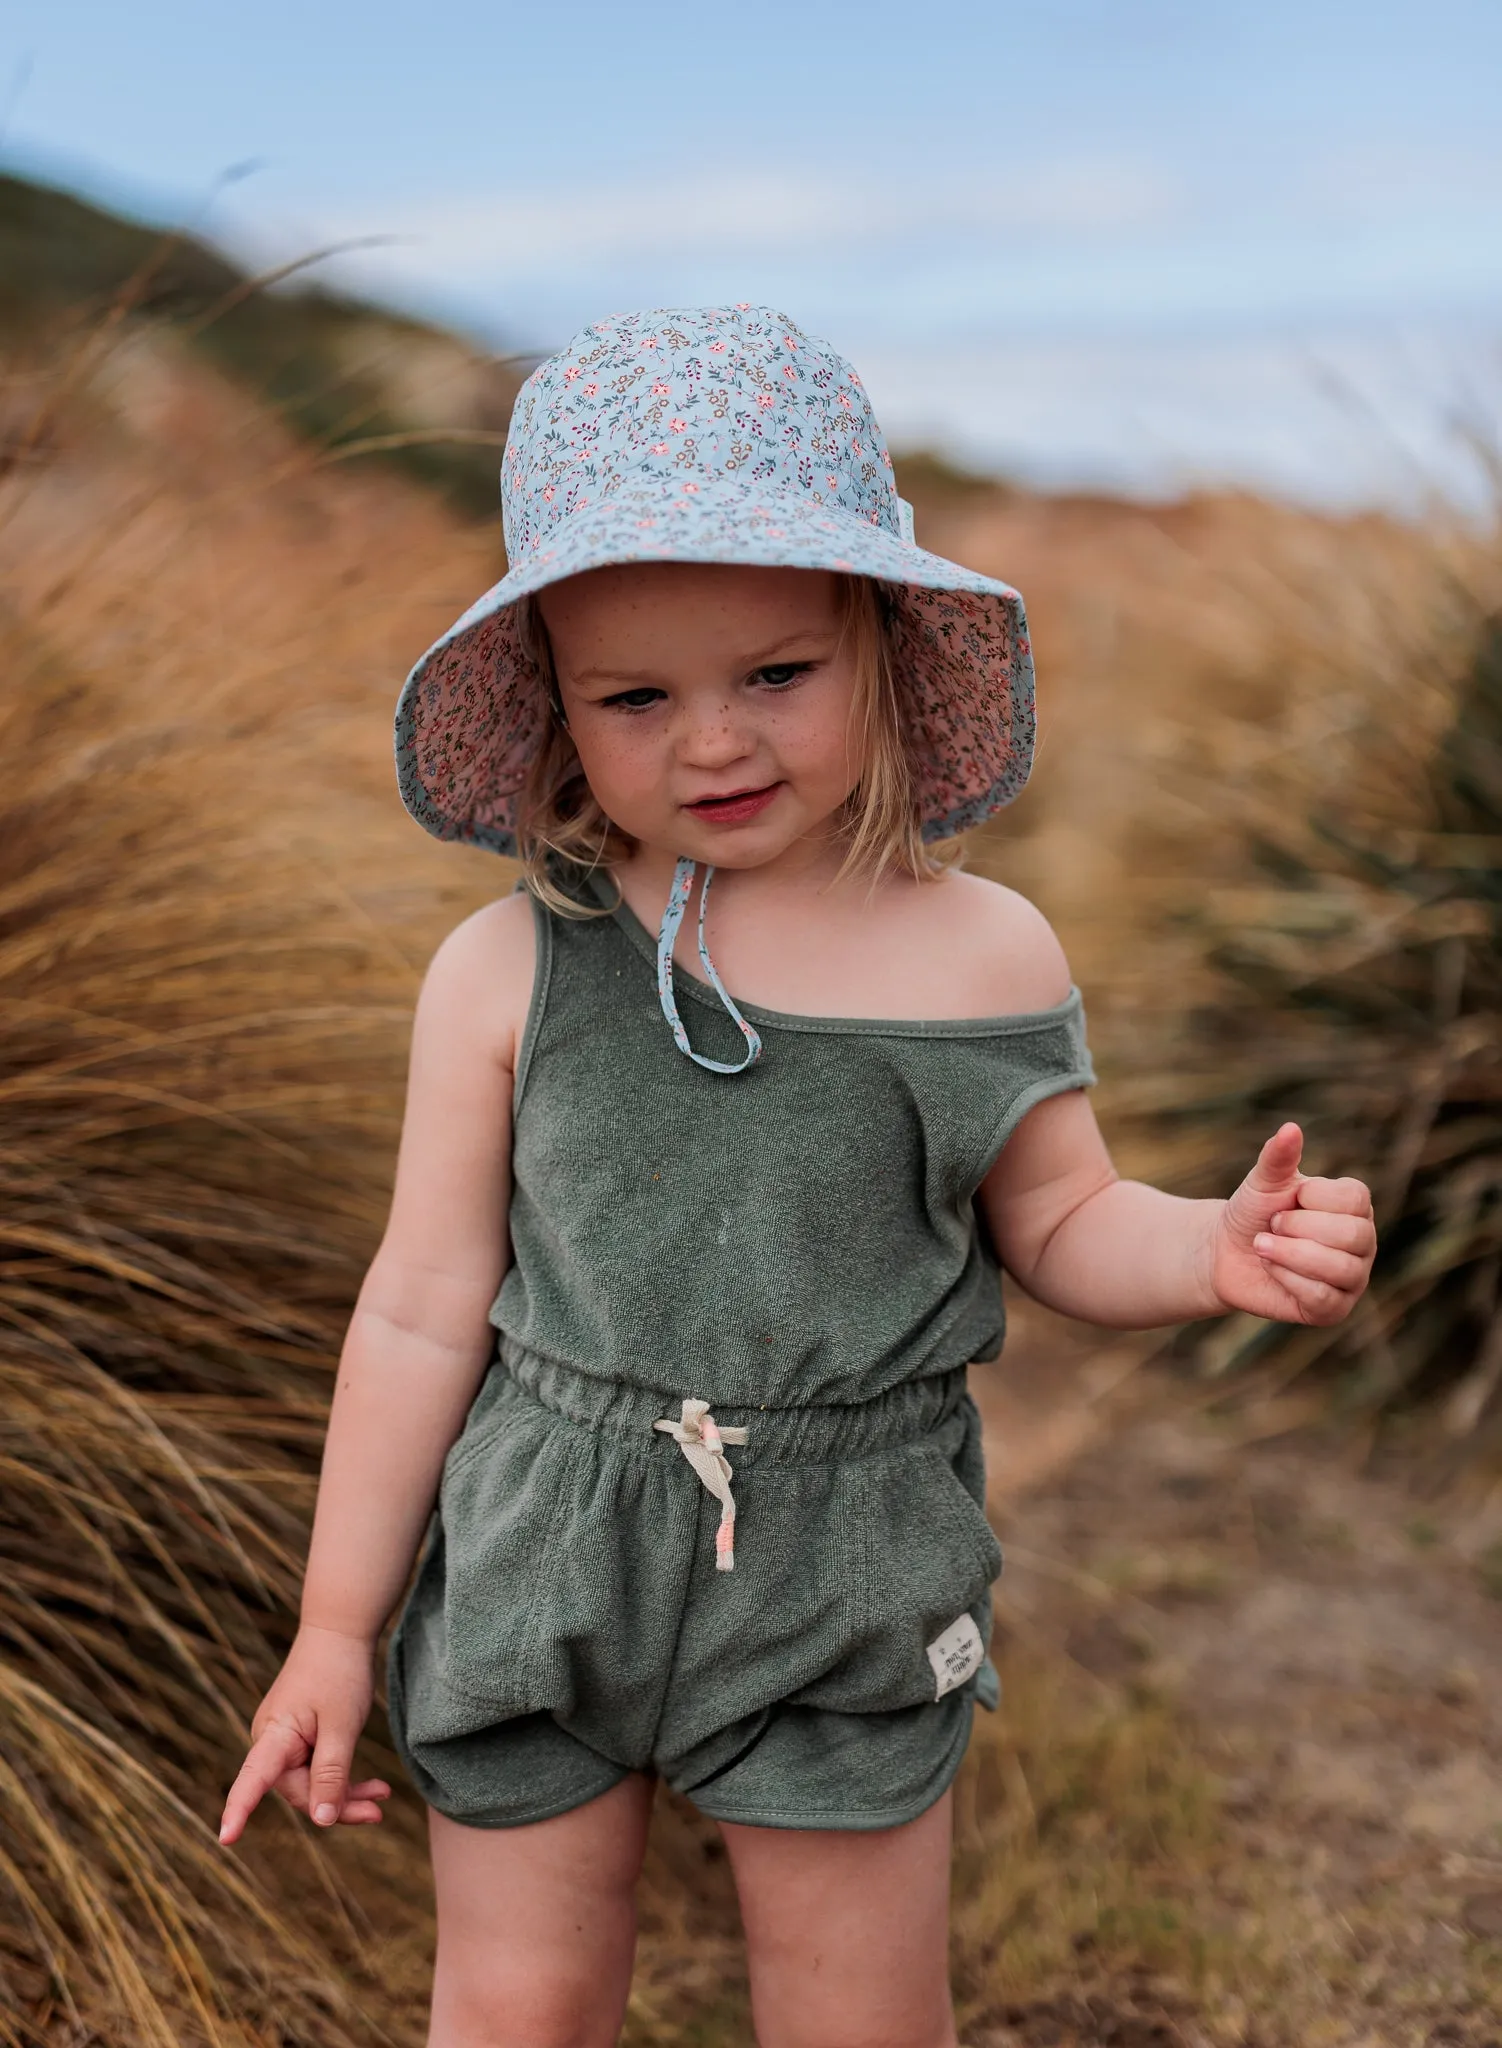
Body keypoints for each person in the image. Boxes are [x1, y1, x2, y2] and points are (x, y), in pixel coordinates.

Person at [218, 305, 1377, 2048]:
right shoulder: (505, 968)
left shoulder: (979, 952)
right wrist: (333, 1626)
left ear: (883, 652)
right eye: (635, 697)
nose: (710, 743)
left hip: (846, 1559)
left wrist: (1210, 1247)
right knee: (514, 2004)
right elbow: (417, 1306)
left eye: (773, 674)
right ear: (554, 707)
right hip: (547, 1538)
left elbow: (1061, 1216)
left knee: (855, 2014)